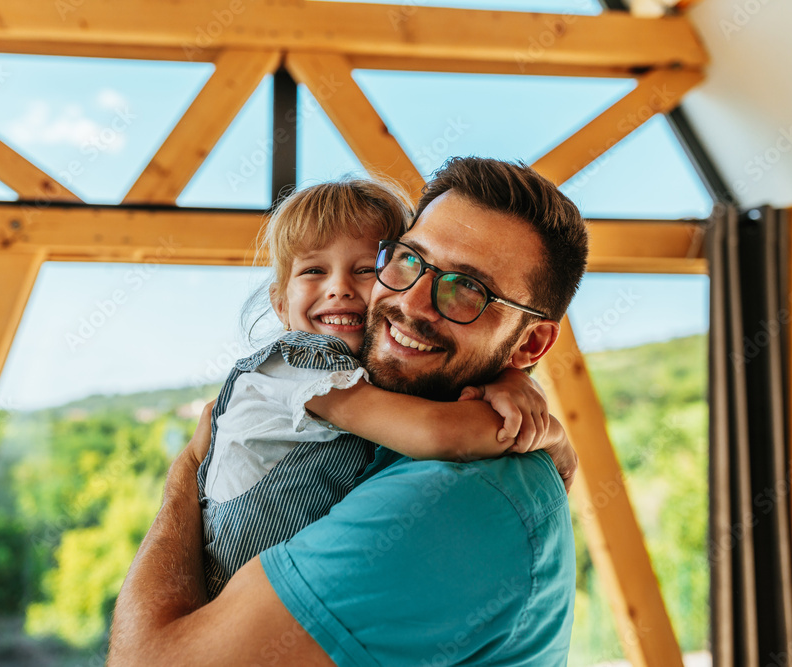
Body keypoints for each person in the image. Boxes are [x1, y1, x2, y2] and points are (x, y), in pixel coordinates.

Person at [109, 157, 587, 666]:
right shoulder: (319, 379)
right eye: (409, 260)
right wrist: (533, 412)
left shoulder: (456, 496)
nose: (413, 301)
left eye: (468, 288)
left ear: (531, 344)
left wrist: (185, 472)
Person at [198, 178, 575, 598]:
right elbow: (437, 432)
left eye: (363, 270)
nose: (338, 288)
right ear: (281, 304)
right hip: (220, 584)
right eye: (312, 271)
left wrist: (510, 376)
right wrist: (552, 436)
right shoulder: (300, 365)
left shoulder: (368, 378)